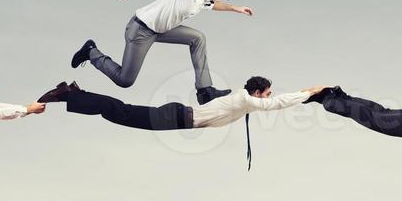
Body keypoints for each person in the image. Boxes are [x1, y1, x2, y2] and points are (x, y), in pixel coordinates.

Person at [69, 0, 253, 104]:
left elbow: (211, 5)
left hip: (162, 30)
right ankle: (91, 52)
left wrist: (236, 8)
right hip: (141, 29)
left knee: (198, 38)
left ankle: (205, 91)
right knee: (125, 80)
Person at [37, 76, 324, 132]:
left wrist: (309, 92)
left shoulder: (241, 99)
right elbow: (278, 104)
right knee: (119, 112)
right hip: (176, 118)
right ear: (258, 92)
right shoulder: (245, 99)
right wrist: (311, 93)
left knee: (120, 112)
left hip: (177, 118)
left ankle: (73, 94)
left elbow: (278, 101)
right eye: (268, 93)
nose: (270, 97)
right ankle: (70, 93)